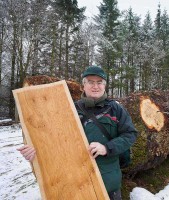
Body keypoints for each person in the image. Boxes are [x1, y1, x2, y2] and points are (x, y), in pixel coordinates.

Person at [17, 66, 138, 200]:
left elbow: (130, 135)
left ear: (105, 86)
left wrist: (106, 148)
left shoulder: (116, 109)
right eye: (90, 82)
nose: (95, 86)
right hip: (76, 185)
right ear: (83, 85)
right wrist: (35, 152)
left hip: (109, 184)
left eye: (99, 82)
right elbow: (52, 138)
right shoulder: (68, 108)